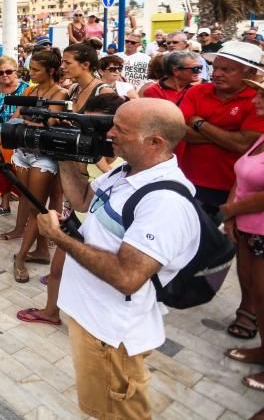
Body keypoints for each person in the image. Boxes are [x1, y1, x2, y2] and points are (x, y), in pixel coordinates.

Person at [36, 99, 198, 420]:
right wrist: (67, 155)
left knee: (120, 413)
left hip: (111, 334)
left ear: (154, 142)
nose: (110, 134)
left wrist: (59, 238)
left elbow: (128, 276)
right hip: (94, 318)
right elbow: (83, 200)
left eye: (120, 130)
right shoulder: (128, 171)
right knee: (103, 409)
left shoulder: (164, 201)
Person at [16, 93, 126, 329]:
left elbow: (115, 189)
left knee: (93, 284)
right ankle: (50, 312)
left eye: (97, 126)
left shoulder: (128, 159)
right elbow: (81, 198)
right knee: (56, 271)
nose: (92, 133)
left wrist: (96, 158)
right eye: (87, 125)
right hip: (81, 218)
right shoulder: (88, 143)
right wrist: (65, 154)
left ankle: (91, 326)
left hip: (107, 232)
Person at [179, 41, 264, 229]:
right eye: (215, 67)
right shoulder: (197, 91)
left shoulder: (258, 100)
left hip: (233, 190)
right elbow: (180, 131)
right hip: (187, 181)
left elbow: (242, 145)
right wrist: (229, 135)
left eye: (227, 69)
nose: (216, 74)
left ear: (250, 73)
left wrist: (199, 123)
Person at [7, 50, 68, 282]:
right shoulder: (32, 90)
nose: (30, 73)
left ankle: (20, 257)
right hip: (23, 152)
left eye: (35, 70)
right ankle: (41, 251)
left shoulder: (60, 93)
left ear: (50, 71)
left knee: (36, 207)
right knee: (31, 204)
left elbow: (47, 124)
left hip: (43, 156)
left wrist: (24, 121)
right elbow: (17, 116)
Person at [221, 75, 264, 380]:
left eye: (262, 96)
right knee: (254, 292)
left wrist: (231, 210)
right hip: (247, 229)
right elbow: (242, 175)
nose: (254, 100)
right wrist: (233, 216)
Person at [0, 55, 29, 217]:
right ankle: (4, 204)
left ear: (16, 71)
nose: (4, 75)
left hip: (18, 137)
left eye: (8, 71)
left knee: (21, 172)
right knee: (1, 171)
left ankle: (25, 207)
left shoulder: (26, 89)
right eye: (0, 73)